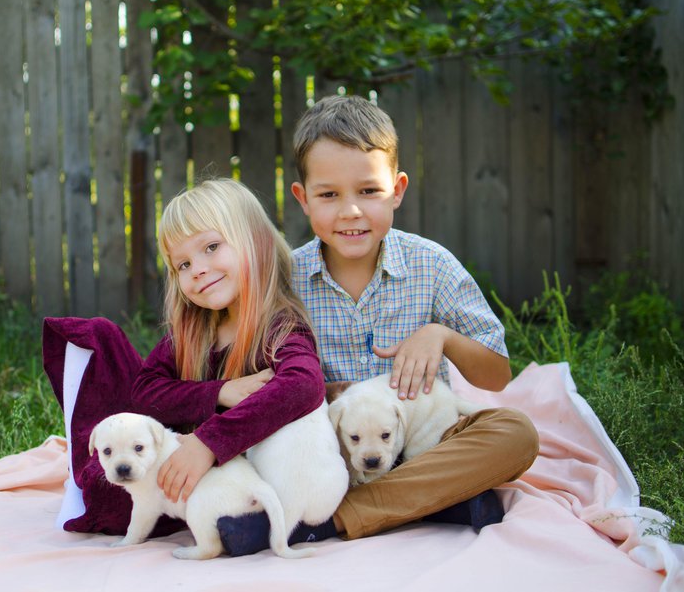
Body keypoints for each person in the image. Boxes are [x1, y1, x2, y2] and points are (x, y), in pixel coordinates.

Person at [286, 94, 541, 540]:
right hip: (335, 455)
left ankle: (340, 517)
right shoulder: (288, 282)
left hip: (428, 445)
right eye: (329, 195)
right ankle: (439, 501)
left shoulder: (431, 264)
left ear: (397, 190)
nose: (351, 211)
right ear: (303, 199)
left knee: (516, 432)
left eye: (369, 191)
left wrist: (441, 336)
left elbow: (497, 375)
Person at [43, 178, 328, 549]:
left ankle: (261, 526)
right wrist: (219, 392)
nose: (197, 269)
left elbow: (304, 385)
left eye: (211, 247)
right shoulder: (193, 330)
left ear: (256, 241)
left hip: (234, 477)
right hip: (175, 466)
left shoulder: (280, 329)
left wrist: (208, 442)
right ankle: (83, 462)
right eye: (183, 264)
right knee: (105, 477)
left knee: (222, 524)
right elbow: (144, 391)